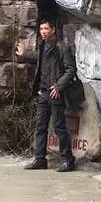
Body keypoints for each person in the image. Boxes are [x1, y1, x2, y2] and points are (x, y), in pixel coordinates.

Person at [16, 17, 80, 173]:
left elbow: (71, 70)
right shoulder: (43, 46)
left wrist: (58, 86)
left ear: (53, 30)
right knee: (40, 127)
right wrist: (24, 55)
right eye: (41, 29)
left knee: (59, 127)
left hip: (55, 93)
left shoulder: (61, 47)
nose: (43, 32)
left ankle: (68, 160)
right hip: (43, 93)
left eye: (46, 29)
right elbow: (37, 57)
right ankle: (40, 159)